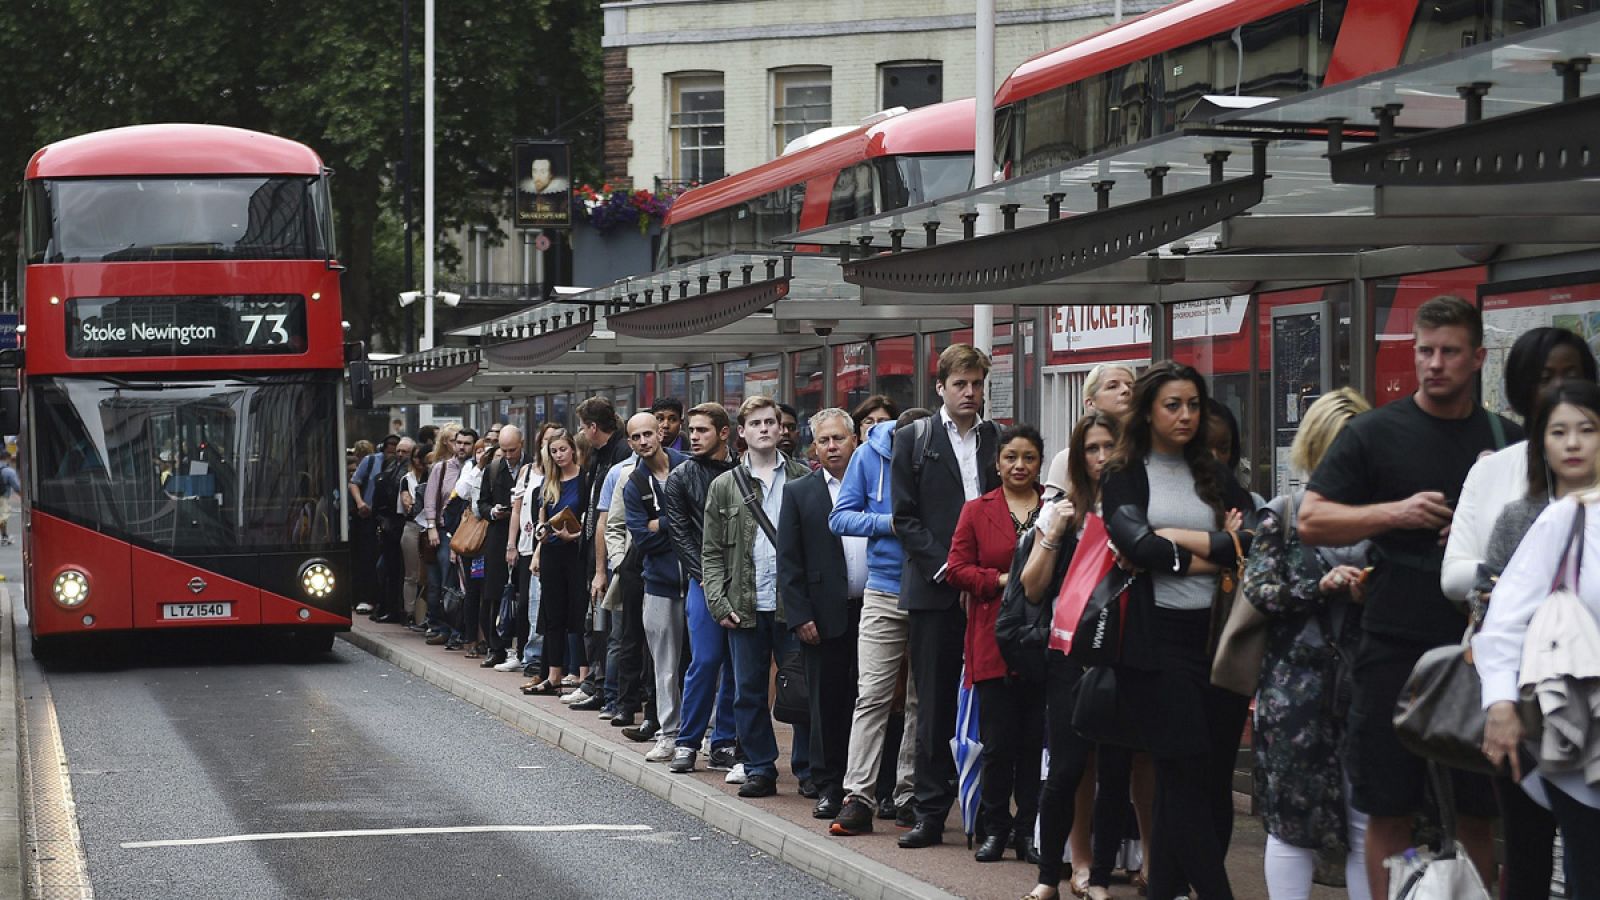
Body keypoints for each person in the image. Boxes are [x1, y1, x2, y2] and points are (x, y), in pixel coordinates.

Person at [1299, 295, 1522, 897]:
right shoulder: (1375, 432)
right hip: (1393, 639)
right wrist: (1393, 514)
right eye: (1425, 351)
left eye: (1450, 352)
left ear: (1478, 358)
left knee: (1479, 806)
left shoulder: (1508, 442)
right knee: (1386, 801)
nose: (1435, 364)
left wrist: (1477, 532)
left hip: (1481, 647)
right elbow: (1311, 521)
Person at [1443, 325, 1595, 900]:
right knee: (1534, 851)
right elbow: (1487, 609)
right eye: (1545, 379)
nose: (1573, 441)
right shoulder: (1528, 508)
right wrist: (1501, 702)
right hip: (1537, 706)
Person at [1101, 361, 1254, 900]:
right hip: (1153, 639)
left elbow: (1252, 538)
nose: (1186, 415)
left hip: (1215, 638)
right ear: (1147, 411)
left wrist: (1173, 537)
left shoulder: (1212, 471)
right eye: (1173, 405)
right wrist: (1217, 551)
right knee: (1184, 768)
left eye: (1193, 404)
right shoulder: (1123, 471)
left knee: (1199, 777)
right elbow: (1134, 547)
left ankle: (1161, 888)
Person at [1242, 388, 1374, 900]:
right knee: (1291, 822)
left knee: (1368, 818)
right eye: (1334, 443)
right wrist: (1317, 587)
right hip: (1295, 690)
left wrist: (1370, 591)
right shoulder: (1285, 511)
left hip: (1365, 681)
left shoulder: (1385, 516)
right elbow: (1260, 591)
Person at [1477, 380, 1600, 900]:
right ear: (1543, 446)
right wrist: (1500, 704)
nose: (1573, 443)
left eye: (1587, 429)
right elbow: (1502, 622)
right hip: (1580, 732)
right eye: (1559, 432)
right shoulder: (1559, 521)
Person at [894, 344, 1000, 849]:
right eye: (961, 384)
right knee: (933, 705)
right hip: (938, 591)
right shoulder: (913, 438)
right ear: (940, 387)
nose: (971, 393)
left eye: (978, 384)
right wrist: (951, 572)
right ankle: (930, 813)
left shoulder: (997, 437)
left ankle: (996, 817)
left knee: (998, 702)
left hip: (990, 593)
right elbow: (905, 518)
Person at [1021, 412, 1123, 900]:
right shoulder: (1061, 508)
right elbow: (1033, 588)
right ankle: (1048, 876)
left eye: (1111, 447)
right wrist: (1054, 534)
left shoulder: (1137, 506)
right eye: (1093, 448)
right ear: (1078, 457)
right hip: (1069, 654)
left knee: (1115, 770)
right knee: (1065, 768)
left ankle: (1101, 876)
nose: (1103, 458)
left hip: (1125, 653)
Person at [702, 395, 812, 798]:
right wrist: (719, 601)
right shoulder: (724, 486)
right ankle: (761, 766)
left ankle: (807, 768)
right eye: (757, 423)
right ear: (743, 433)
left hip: (792, 605)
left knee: (800, 687)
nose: (766, 429)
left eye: (772, 422)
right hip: (744, 604)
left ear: (782, 429)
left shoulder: (803, 477)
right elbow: (711, 551)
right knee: (747, 691)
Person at [826, 407, 928, 836]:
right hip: (884, 587)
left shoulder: (939, 450)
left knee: (922, 699)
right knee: (872, 695)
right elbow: (840, 517)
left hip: (931, 587)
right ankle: (859, 795)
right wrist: (891, 523)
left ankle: (908, 793)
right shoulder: (870, 455)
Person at [946, 423, 1045, 862]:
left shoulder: (1056, 508)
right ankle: (994, 828)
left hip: (1042, 640)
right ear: (997, 463)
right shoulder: (976, 510)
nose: (1020, 465)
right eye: (1011, 457)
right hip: (991, 638)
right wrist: (1002, 580)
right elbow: (956, 568)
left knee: (1033, 743)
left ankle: (1028, 830)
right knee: (998, 743)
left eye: (1029, 457)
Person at [778, 408, 867, 819]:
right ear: (814, 448)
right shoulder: (800, 492)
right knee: (826, 704)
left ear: (855, 440)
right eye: (824, 441)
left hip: (873, 611)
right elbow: (789, 561)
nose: (832, 446)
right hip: (822, 615)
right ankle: (829, 785)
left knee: (872, 702)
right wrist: (799, 616)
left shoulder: (877, 484)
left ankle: (868, 787)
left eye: (839, 438)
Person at [661, 402, 740, 774]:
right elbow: (679, 534)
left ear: (724, 432)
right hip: (703, 580)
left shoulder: (744, 469)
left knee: (738, 666)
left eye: (702, 430)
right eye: (691, 430)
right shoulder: (680, 477)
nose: (693, 437)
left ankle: (723, 741)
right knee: (706, 660)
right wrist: (707, 579)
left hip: (745, 579)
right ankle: (688, 742)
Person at [622, 411, 690, 762]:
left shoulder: (689, 466)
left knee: (705, 662)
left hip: (697, 580)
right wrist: (678, 529)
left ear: (661, 434)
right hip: (659, 583)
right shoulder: (634, 483)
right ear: (630, 442)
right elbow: (641, 539)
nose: (644, 440)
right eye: (636, 437)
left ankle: (704, 734)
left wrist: (661, 524)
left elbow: (701, 521)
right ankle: (669, 734)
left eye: (649, 433)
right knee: (664, 665)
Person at [572, 398, 629, 711]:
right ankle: (597, 682)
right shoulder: (597, 456)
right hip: (593, 554)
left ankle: (611, 690)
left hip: (610, 558)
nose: (581, 431)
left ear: (593, 427)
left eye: (583, 425)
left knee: (611, 628)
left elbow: (610, 518)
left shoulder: (621, 454)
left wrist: (602, 568)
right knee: (594, 623)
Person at [524, 429, 587, 693]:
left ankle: (584, 676)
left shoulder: (585, 480)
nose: (559, 455)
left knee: (579, 613)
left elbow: (590, 521)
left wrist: (573, 535)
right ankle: (554, 676)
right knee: (553, 614)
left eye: (563, 449)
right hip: (551, 551)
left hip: (576, 553)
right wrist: (540, 541)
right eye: (554, 451)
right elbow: (541, 519)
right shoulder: (547, 483)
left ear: (572, 449)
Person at [1044, 364, 1134, 498]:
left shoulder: (1151, 451)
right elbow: (1051, 515)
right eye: (1113, 386)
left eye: (1131, 386)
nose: (1126, 390)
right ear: (1090, 403)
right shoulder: (1066, 460)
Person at [476, 426, 526, 668]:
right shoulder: (494, 469)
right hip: (498, 537)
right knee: (494, 593)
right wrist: (493, 512)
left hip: (525, 537)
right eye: (504, 450)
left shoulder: (532, 467)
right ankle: (496, 647)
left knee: (522, 593)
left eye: (512, 450)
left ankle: (521, 647)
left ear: (522, 444)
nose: (508, 455)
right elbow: (482, 503)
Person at [425, 427, 475, 646]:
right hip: (446, 532)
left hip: (471, 532)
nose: (462, 447)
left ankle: (462, 629)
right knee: (447, 580)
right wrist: (431, 527)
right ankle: (446, 628)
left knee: (467, 583)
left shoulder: (476, 468)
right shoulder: (442, 468)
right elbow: (430, 498)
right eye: (459, 442)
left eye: (466, 443)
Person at [349, 433, 400, 615]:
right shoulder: (371, 461)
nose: (393, 450)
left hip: (391, 518)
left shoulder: (401, 466)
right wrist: (360, 503)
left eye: (397, 446)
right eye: (390, 445)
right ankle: (365, 597)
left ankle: (382, 600)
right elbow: (354, 482)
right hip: (368, 517)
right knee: (367, 557)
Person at [455, 438, 492, 656]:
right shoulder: (471, 469)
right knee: (474, 588)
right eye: (479, 451)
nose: (484, 454)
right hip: (476, 542)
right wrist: (479, 467)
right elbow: (462, 492)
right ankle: (471, 638)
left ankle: (487, 638)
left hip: (493, 538)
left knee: (489, 591)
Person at [373, 437, 415, 624]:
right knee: (388, 569)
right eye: (398, 450)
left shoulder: (408, 472)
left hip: (402, 524)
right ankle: (389, 607)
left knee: (402, 572)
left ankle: (399, 610)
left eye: (404, 451)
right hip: (389, 524)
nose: (400, 454)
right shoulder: (390, 467)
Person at [399, 444, 431, 627]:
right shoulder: (407, 479)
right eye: (417, 459)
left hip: (428, 526)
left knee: (427, 574)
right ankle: (410, 612)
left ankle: (424, 613)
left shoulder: (433, 474)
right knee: (412, 573)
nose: (420, 463)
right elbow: (408, 505)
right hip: (413, 526)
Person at [0, 449, 22, 545]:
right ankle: (4, 536)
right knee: (2, 517)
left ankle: (4, 536)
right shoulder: (9, 471)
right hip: (2, 497)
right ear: (8, 458)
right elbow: (17, 487)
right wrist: (23, 498)